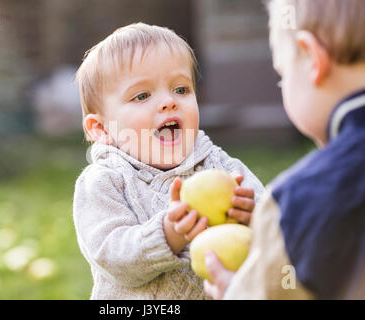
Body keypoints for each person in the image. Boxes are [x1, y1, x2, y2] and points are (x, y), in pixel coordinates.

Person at [72, 23, 264, 299]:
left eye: (181, 89)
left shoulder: (221, 167)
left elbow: (276, 230)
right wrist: (166, 235)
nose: (168, 102)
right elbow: (110, 256)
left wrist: (252, 216)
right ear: (101, 129)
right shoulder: (104, 181)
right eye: (142, 95)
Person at [204, 0, 365, 300]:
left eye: (282, 74)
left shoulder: (296, 202)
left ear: (312, 58)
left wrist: (235, 292)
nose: (283, 84)